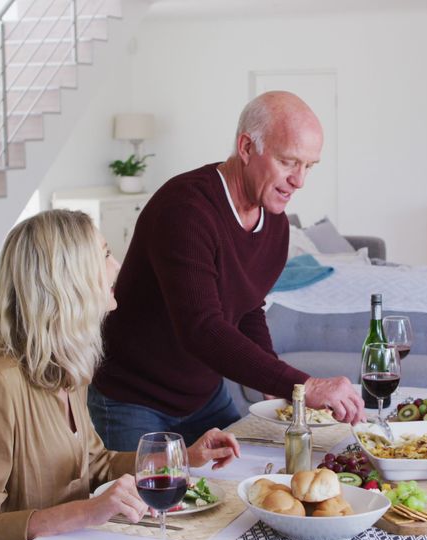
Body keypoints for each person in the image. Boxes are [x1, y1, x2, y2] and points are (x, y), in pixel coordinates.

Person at [0, 210, 241, 540]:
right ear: (67, 280)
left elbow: (96, 464)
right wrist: (87, 512)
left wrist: (183, 458)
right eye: (105, 255)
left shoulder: (64, 368)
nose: (117, 267)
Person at [88, 91, 364, 451]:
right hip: (135, 400)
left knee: (245, 487)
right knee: (141, 507)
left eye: (309, 166)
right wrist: (304, 386)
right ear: (247, 147)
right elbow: (201, 328)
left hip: (203, 397)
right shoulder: (185, 210)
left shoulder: (274, 223)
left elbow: (248, 307)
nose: (300, 180)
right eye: (288, 162)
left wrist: (272, 378)